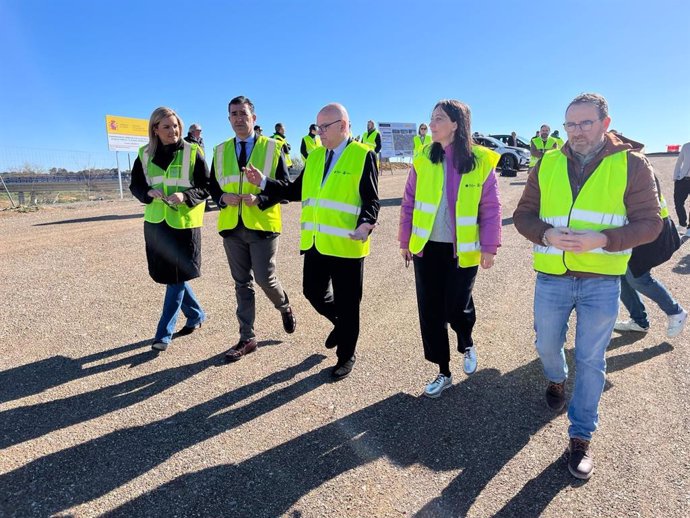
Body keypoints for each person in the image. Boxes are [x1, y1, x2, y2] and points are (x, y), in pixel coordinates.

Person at [513, 93, 662, 480]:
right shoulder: (547, 162)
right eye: (571, 124)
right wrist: (545, 233)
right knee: (546, 344)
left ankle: (580, 438)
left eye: (586, 123)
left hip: (601, 281)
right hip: (552, 276)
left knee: (592, 359)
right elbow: (523, 215)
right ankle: (556, 377)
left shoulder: (631, 164)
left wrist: (603, 239)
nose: (577, 132)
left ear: (605, 123)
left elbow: (651, 223)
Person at [244, 102, 379, 380]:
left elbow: (371, 199)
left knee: (348, 302)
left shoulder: (362, 155)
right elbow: (294, 190)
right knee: (313, 292)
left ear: (343, 126)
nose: (319, 132)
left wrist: (366, 223)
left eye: (324, 127)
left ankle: (346, 354)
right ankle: (341, 325)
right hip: (316, 242)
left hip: (347, 244)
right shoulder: (316, 156)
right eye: (317, 126)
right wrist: (264, 183)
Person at [399, 99, 502, 399]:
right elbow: (408, 203)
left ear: (456, 124)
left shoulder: (482, 160)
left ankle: (466, 341)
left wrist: (490, 246)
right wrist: (405, 241)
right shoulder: (422, 159)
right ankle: (442, 371)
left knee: (456, 305)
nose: (432, 124)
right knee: (430, 312)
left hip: (464, 250)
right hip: (427, 249)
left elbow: (491, 207)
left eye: (439, 119)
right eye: (431, 118)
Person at [208, 96, 297, 363]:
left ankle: (284, 306)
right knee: (241, 283)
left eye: (243, 113)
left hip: (262, 225)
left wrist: (261, 198)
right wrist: (222, 198)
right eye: (233, 114)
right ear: (228, 119)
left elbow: (285, 187)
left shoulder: (272, 147)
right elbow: (213, 185)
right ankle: (247, 337)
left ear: (254, 118)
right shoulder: (220, 150)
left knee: (264, 278)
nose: (238, 118)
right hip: (232, 226)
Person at [129, 107, 210, 351]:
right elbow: (136, 185)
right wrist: (147, 192)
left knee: (176, 278)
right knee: (173, 277)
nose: (173, 131)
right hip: (156, 224)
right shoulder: (143, 154)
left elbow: (206, 186)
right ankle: (196, 314)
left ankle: (163, 332)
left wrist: (185, 196)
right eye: (166, 126)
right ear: (155, 129)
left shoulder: (193, 152)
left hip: (183, 225)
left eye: (175, 126)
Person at [615, 175, 687, 336]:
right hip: (635, 229)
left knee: (638, 277)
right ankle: (639, 320)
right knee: (621, 274)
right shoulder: (620, 162)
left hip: (648, 228)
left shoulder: (631, 163)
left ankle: (675, 312)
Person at [673, 141, 690, 234]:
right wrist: (676, 177)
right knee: (678, 202)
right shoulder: (686, 146)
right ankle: (682, 224)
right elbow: (679, 162)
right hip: (682, 179)